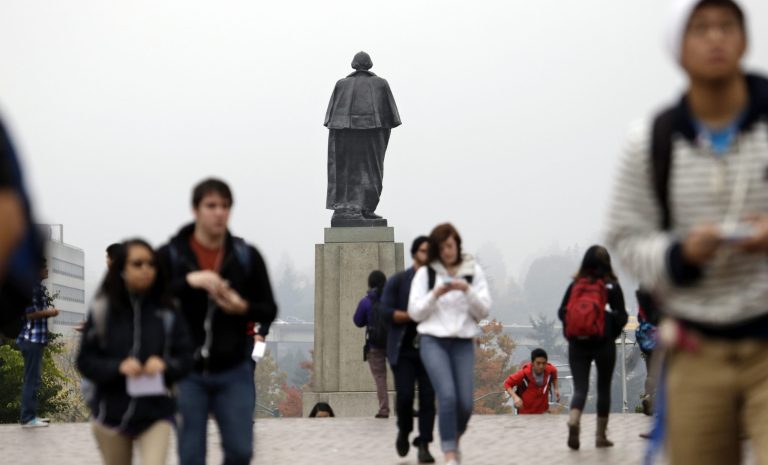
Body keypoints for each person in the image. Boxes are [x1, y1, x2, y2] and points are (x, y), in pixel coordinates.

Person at [606, 1, 768, 462]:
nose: (715, 37)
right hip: (697, 346)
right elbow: (625, 237)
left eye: (726, 26)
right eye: (701, 28)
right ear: (678, 47)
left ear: (744, 40)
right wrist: (679, 254)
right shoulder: (651, 139)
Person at [159, 178, 278, 465]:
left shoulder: (246, 257)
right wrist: (190, 281)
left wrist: (243, 307)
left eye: (225, 206)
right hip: (188, 371)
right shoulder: (171, 255)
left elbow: (269, 308)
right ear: (195, 210)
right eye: (211, 206)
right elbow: (151, 299)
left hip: (234, 369)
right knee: (191, 454)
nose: (219, 212)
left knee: (240, 451)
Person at [77, 239, 193, 465]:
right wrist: (117, 367)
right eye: (137, 264)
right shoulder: (103, 309)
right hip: (110, 413)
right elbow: (85, 361)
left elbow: (186, 357)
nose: (146, 269)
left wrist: (165, 365)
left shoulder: (168, 311)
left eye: (151, 264)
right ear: (121, 269)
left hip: (156, 413)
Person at [408, 223, 491, 465]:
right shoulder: (427, 274)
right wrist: (436, 294)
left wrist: (466, 289)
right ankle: (450, 454)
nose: (447, 251)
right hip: (433, 341)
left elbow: (484, 309)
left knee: (465, 403)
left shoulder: (472, 271)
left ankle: (453, 438)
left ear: (457, 245)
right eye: (442, 247)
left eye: (450, 246)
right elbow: (415, 312)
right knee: (447, 396)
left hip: (463, 341)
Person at [557, 245, 627, 450]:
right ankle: (600, 436)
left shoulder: (576, 284)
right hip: (603, 343)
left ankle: (574, 418)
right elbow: (622, 316)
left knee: (580, 388)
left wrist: (574, 329)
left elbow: (562, 312)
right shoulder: (611, 285)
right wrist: (607, 328)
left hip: (577, 343)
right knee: (603, 389)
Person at [324, 51, 401, 224]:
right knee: (370, 171)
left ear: (353, 64)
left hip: (348, 134)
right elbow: (390, 121)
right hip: (365, 134)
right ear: (370, 64)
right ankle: (354, 209)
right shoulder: (379, 83)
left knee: (352, 171)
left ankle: (363, 209)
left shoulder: (342, 84)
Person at [380, 236, 436, 463]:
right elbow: (384, 312)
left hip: (430, 351)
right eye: (423, 251)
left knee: (428, 398)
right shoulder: (399, 281)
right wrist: (410, 316)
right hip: (403, 350)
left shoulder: (436, 284)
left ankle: (424, 443)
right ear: (415, 254)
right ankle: (404, 430)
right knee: (404, 396)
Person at [16, 259, 58, 427]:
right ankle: (28, 418)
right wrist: (51, 312)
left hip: (35, 339)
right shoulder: (32, 288)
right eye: (44, 268)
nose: (47, 270)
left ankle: (31, 415)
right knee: (31, 379)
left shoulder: (36, 287)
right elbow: (30, 314)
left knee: (34, 379)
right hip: (31, 339)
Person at [353, 269, 390, 418]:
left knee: (380, 377)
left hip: (374, 345)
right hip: (393, 343)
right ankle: (406, 407)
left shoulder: (366, 301)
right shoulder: (391, 299)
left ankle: (384, 409)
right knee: (402, 374)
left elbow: (357, 321)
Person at [503, 348, 560, 415]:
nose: (541, 366)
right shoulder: (523, 374)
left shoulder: (549, 369)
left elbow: (554, 373)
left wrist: (556, 388)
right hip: (526, 414)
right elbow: (507, 383)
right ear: (532, 363)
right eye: (538, 363)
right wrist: (515, 397)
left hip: (542, 413)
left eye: (544, 363)